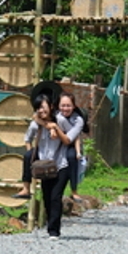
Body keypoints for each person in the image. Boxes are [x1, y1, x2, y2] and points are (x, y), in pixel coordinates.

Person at [17, 94, 70, 239]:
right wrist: (33, 157)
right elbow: (27, 139)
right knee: (47, 197)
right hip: (45, 166)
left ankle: (54, 231)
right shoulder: (35, 124)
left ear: (51, 106)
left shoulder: (61, 120)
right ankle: (50, 226)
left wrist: (55, 128)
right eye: (37, 108)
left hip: (61, 164)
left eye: (43, 107)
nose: (40, 110)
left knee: (55, 196)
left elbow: (70, 137)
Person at [56, 92, 87, 201]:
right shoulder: (56, 116)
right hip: (55, 144)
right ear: (58, 106)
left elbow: (74, 138)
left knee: (71, 157)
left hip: (70, 144)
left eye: (68, 105)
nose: (65, 108)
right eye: (63, 105)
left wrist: (78, 152)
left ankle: (74, 189)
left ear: (74, 106)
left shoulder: (78, 120)